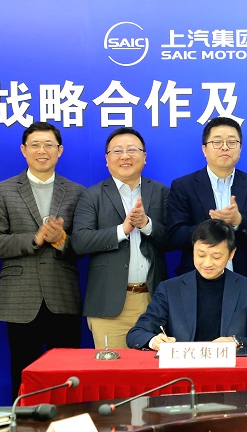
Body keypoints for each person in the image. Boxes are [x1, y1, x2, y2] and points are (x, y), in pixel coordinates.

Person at [0, 121, 85, 396]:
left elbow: (85, 244)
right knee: (24, 373)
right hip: (20, 298)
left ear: (60, 150)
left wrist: (61, 240)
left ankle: (67, 419)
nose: (42, 150)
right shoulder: (2, 190)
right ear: (23, 150)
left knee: (66, 376)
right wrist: (35, 239)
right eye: (35, 145)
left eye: (49, 145)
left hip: (62, 294)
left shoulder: (76, 192)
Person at [72, 128, 169, 350]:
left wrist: (146, 224)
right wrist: (122, 230)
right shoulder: (92, 195)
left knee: (153, 369)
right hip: (110, 304)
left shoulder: (161, 192)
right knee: (112, 368)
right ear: (107, 159)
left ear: (144, 156)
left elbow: (173, 240)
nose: (125, 156)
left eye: (132, 150)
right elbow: (79, 241)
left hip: (154, 302)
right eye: (117, 151)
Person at [127, 219, 247, 350]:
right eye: (201, 255)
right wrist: (154, 341)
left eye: (216, 257)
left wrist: (235, 341)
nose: (207, 263)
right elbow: (136, 334)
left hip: (230, 367)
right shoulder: (170, 289)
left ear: (231, 254)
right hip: (183, 367)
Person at [167, 116, 247, 278]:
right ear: (204, 149)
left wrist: (238, 221)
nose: (225, 147)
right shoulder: (184, 186)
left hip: (244, 277)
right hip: (196, 277)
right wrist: (213, 227)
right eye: (217, 142)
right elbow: (174, 236)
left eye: (232, 142)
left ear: (240, 149)